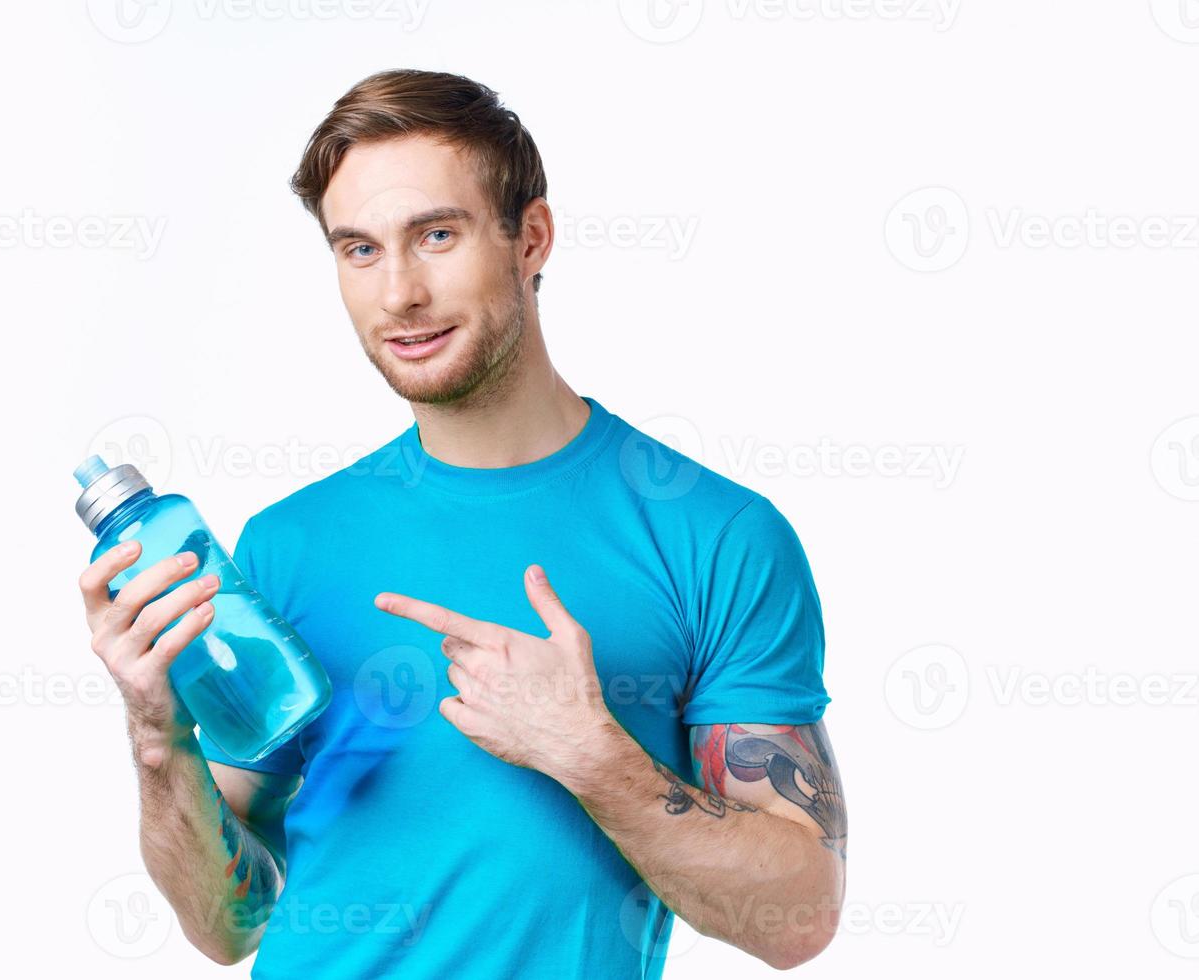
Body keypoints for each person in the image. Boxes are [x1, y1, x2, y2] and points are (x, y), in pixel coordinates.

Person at [77, 68, 846, 978]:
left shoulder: (716, 538)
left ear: (532, 237)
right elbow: (230, 923)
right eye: (358, 250)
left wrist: (593, 756)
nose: (398, 292)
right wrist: (160, 741)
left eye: (435, 236)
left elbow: (796, 918)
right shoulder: (286, 544)